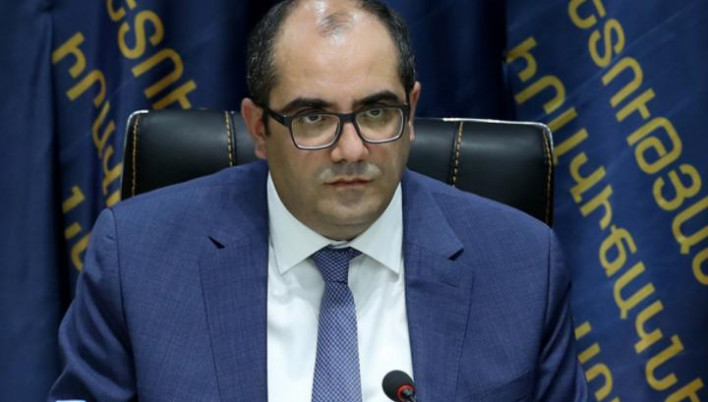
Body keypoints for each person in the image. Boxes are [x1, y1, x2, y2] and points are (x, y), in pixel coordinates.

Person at [49, 0, 588, 401]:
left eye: (376, 113)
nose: (351, 149)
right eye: (313, 118)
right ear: (259, 128)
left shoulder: (521, 268)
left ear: (411, 112)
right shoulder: (137, 262)